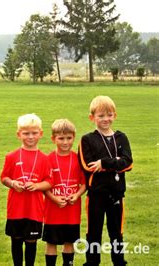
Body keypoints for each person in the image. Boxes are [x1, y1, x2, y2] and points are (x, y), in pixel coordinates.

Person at [78, 96, 133, 266]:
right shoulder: (87, 139)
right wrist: (116, 162)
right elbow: (87, 166)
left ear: (114, 115)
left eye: (109, 115)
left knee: (116, 231)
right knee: (93, 232)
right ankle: (92, 262)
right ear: (92, 117)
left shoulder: (121, 137)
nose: (105, 119)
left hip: (116, 194)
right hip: (96, 194)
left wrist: (104, 163)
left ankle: (119, 261)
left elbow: (128, 163)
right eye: (101, 115)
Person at [0, 113, 52, 266]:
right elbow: (4, 177)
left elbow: (49, 181)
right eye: (26, 133)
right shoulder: (12, 156)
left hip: (34, 209)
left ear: (40, 134)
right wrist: (13, 183)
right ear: (19, 134)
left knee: (31, 241)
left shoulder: (44, 158)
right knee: (16, 240)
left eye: (34, 133)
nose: (30, 137)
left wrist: (36, 186)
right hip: (16, 209)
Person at [43, 119, 86, 266]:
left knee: (69, 242)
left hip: (72, 211)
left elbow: (85, 184)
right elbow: (44, 186)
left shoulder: (78, 159)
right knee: (51, 242)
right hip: (52, 211)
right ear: (53, 139)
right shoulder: (47, 159)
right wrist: (54, 198)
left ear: (74, 137)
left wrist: (77, 195)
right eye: (61, 138)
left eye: (69, 138)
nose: (65, 142)